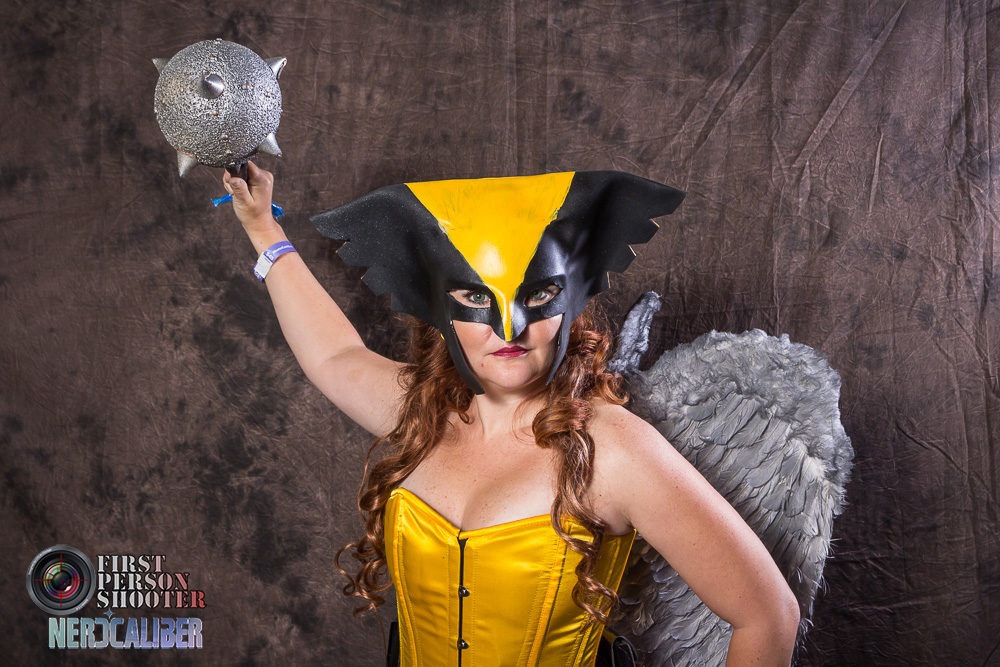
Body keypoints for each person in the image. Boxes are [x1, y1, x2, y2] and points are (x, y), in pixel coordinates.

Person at [222, 162, 800, 666]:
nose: (509, 328)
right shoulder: (424, 414)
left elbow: (768, 615)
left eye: (537, 295)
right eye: (477, 297)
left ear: (571, 300)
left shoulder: (613, 450)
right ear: (442, 308)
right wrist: (262, 227)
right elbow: (333, 355)